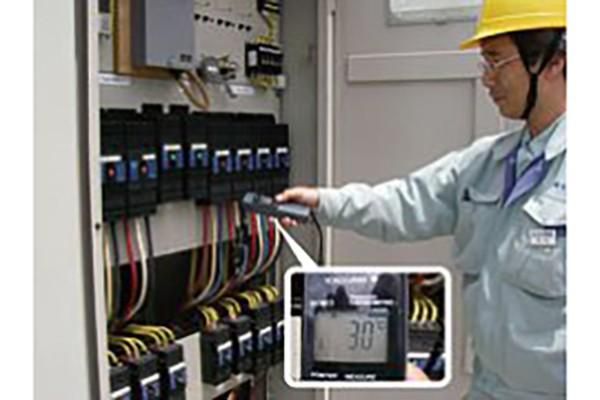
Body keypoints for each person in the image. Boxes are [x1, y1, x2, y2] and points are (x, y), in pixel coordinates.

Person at [277, 0, 566, 398]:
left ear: (553, 62)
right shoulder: (488, 163)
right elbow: (403, 203)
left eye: (496, 61)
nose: (486, 78)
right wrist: (322, 203)